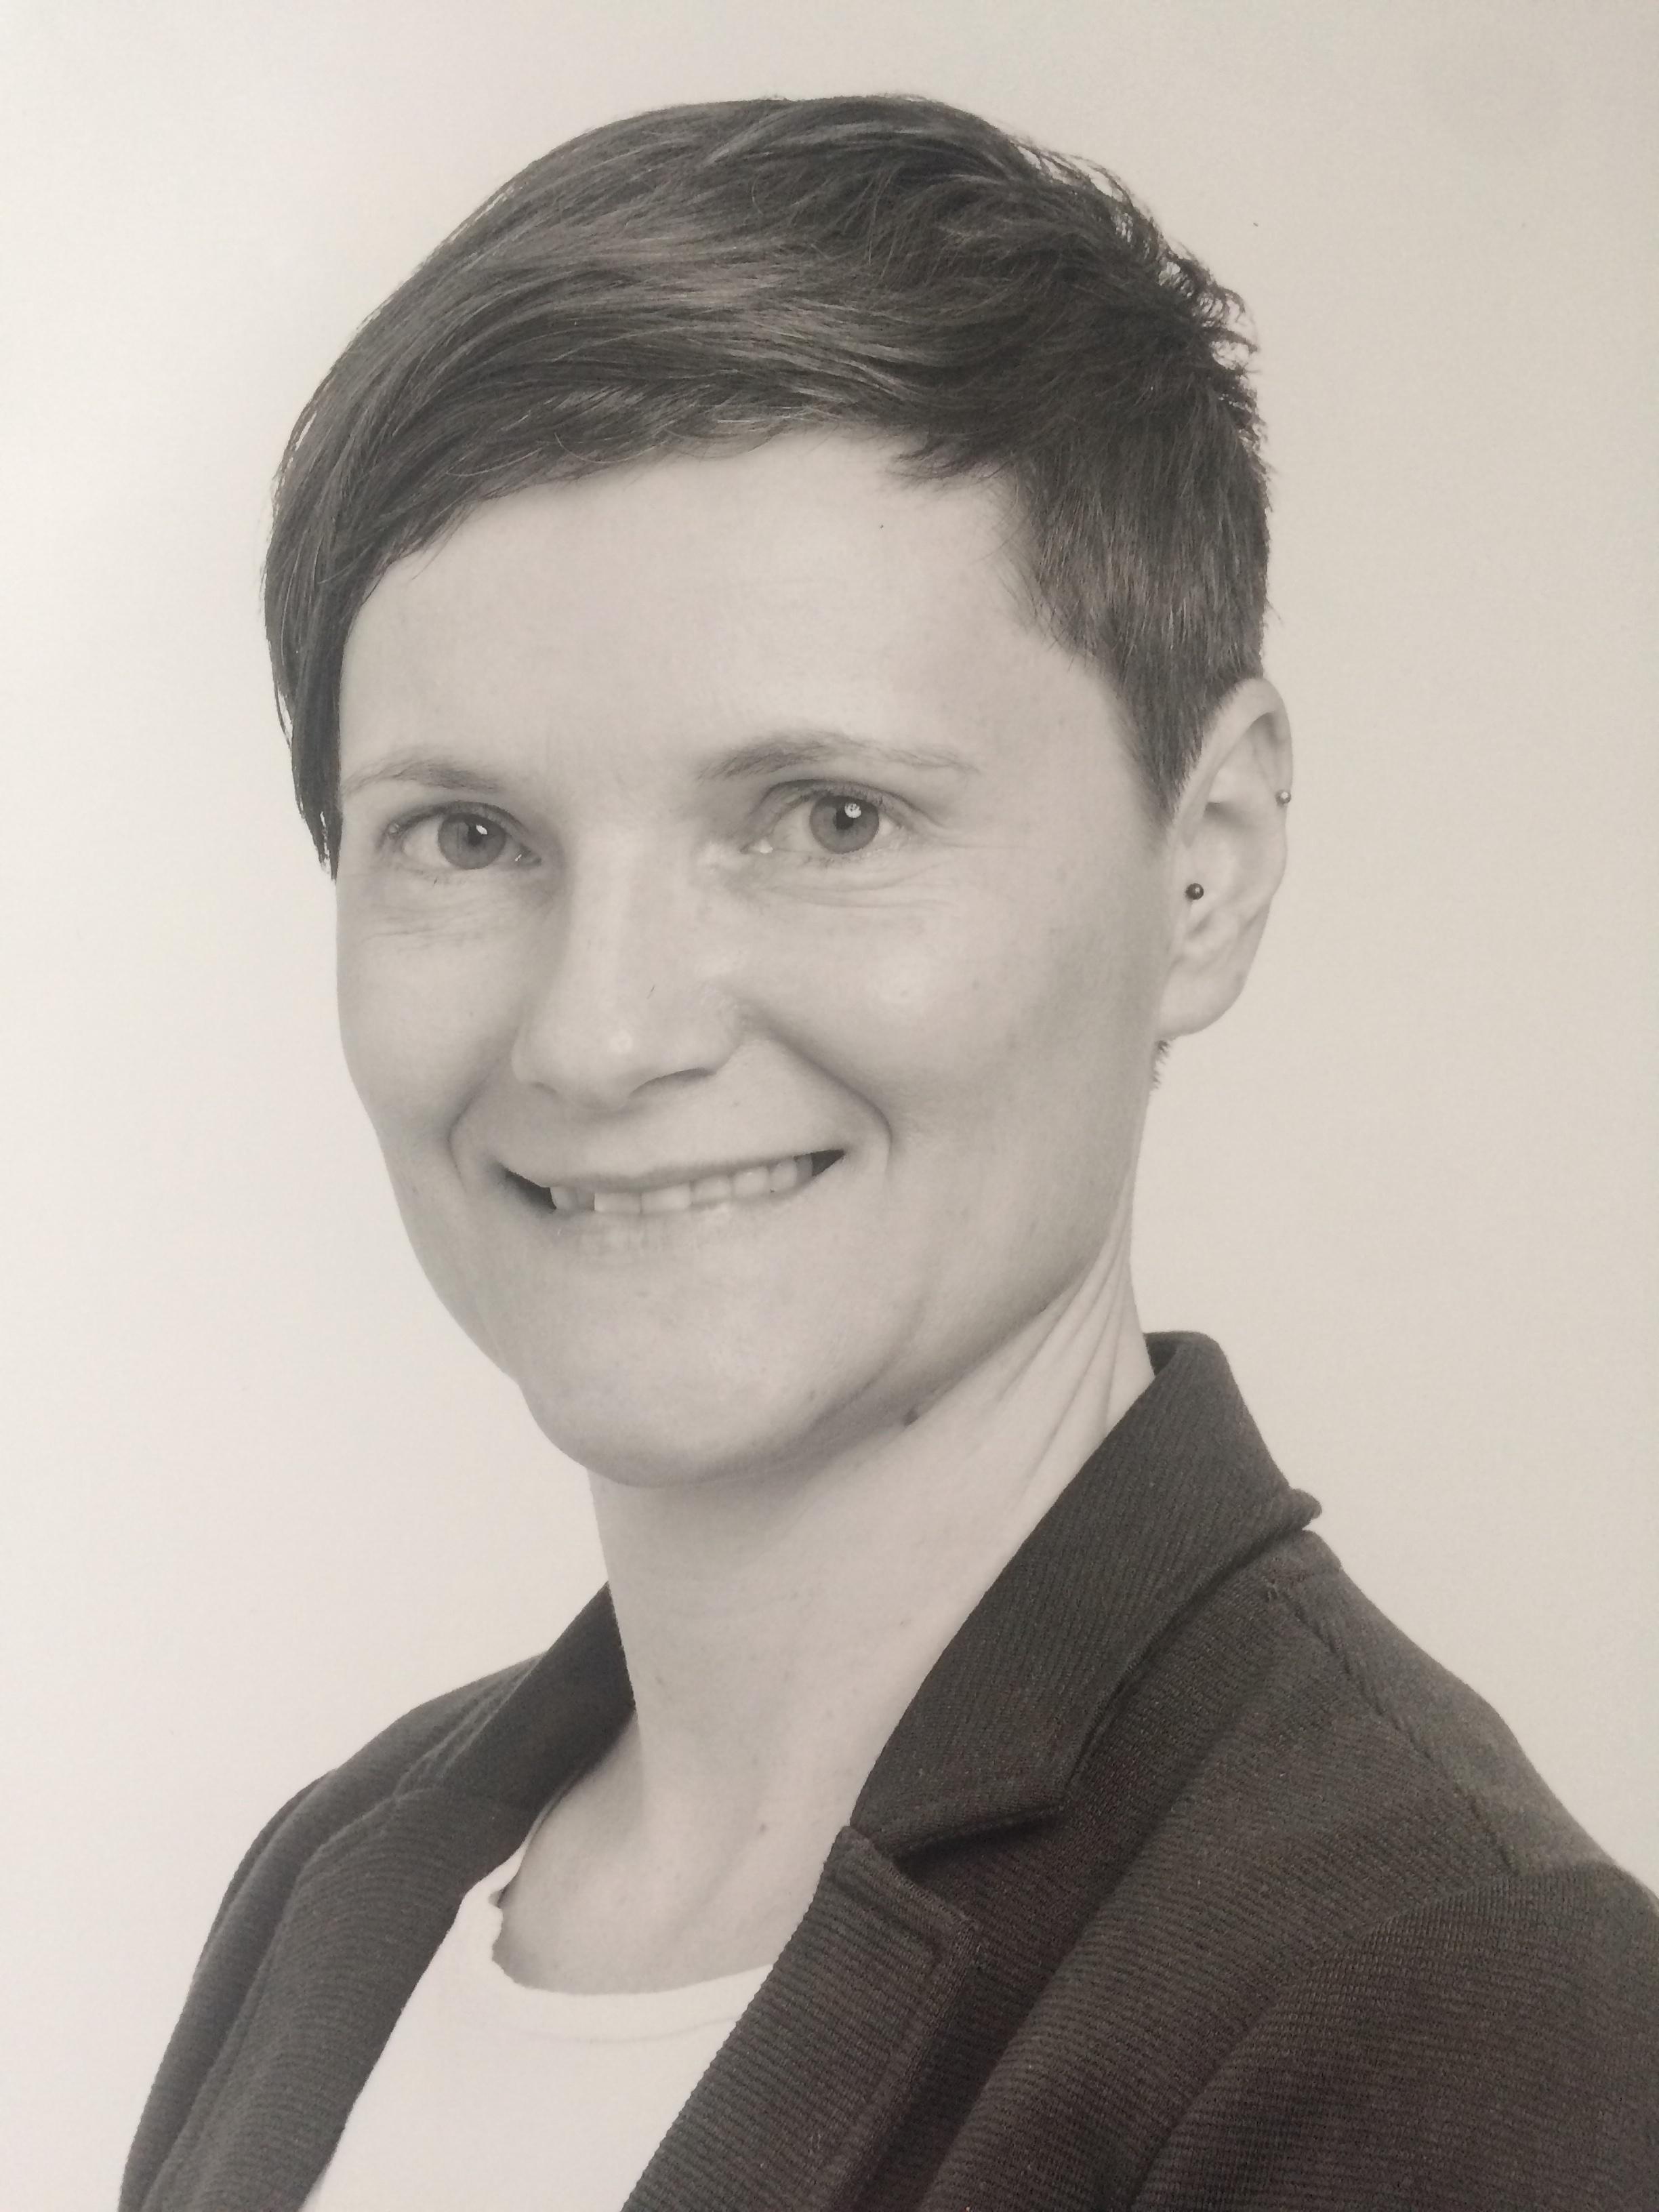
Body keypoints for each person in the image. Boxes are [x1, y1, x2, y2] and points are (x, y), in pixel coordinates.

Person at [121, 93, 1658, 2212]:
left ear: (1204, 864)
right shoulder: (336, 1885)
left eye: (829, 819)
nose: (603, 1033)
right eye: (465, 836)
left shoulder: (1453, 2014)